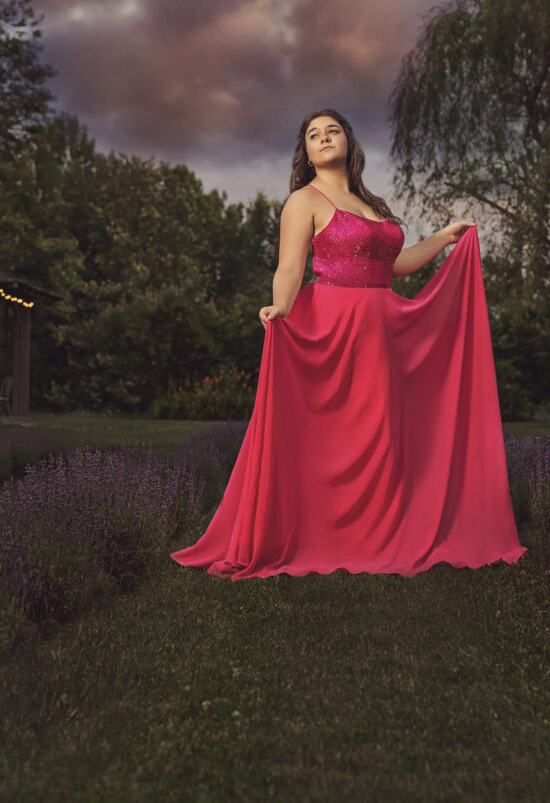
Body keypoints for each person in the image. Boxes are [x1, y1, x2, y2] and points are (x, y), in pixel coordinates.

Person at [170, 108, 526, 579]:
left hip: (383, 329)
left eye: (332, 130)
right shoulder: (304, 200)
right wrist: (280, 306)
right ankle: (328, 532)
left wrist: (443, 238)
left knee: (382, 432)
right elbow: (290, 267)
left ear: (348, 143)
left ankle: (381, 531)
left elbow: (393, 266)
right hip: (333, 326)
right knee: (335, 437)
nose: (323, 138)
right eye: (313, 134)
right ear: (307, 152)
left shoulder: (371, 203)